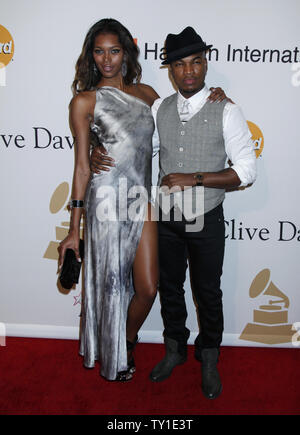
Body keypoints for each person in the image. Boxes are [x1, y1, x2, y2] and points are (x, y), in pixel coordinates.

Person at [91, 26, 256, 398]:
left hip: (206, 217)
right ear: (170, 70)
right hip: (165, 217)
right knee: (170, 289)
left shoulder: (227, 109)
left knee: (208, 292)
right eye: (180, 65)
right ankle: (174, 350)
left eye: (196, 62)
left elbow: (246, 171)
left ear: (206, 63)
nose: (189, 72)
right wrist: (93, 152)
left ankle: (209, 357)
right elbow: (135, 148)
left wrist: (195, 178)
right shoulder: (159, 107)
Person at [58, 18, 160, 382]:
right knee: (114, 283)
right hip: (105, 200)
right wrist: (74, 230)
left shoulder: (147, 94)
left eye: (114, 51)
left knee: (148, 286)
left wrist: (216, 100)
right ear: (91, 55)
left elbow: (181, 122)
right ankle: (116, 350)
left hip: (141, 197)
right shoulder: (84, 101)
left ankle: (126, 339)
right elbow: (83, 168)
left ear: (126, 53)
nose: (107, 59)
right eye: (99, 52)